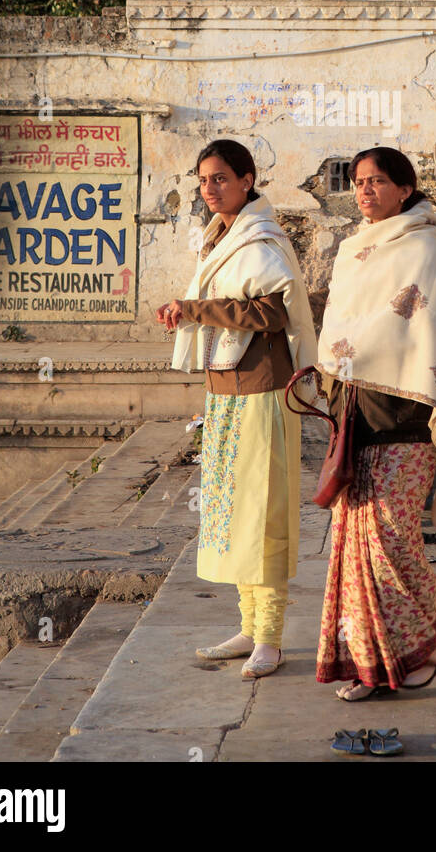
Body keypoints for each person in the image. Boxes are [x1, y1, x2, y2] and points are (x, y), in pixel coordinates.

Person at [314, 147, 436, 701]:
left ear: (405, 189)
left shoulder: (427, 246)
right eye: (360, 182)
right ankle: (366, 664)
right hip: (355, 416)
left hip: (408, 418)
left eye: (378, 181)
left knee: (392, 539)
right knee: (351, 545)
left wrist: (363, 350)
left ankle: (425, 640)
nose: (365, 191)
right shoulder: (352, 250)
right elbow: (341, 325)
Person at [157, 139, 316, 679]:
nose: (210, 189)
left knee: (262, 513)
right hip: (224, 395)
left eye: (221, 178)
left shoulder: (261, 238)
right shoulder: (220, 237)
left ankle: (270, 639)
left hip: (263, 393)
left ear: (248, 180)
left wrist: (195, 309)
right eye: (203, 180)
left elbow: (272, 312)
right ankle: (249, 627)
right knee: (232, 515)